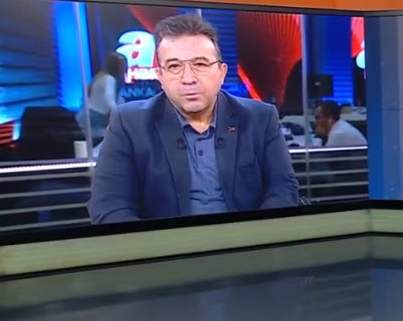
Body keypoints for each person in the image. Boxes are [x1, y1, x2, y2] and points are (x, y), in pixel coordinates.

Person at [87, 14, 300, 224]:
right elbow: (109, 207)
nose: (188, 79)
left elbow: (283, 189)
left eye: (200, 64)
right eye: (174, 66)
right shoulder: (129, 123)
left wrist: (256, 237)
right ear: (160, 77)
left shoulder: (261, 118)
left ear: (221, 72)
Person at [79, 52, 127, 144]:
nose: (123, 68)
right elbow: (108, 100)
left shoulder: (101, 77)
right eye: (122, 65)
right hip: (94, 118)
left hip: (89, 115)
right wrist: (120, 113)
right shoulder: (108, 79)